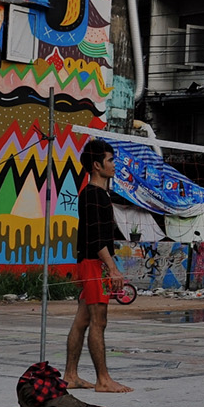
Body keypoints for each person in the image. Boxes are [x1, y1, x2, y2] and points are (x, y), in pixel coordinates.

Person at [64, 138, 131, 393]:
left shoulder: (102, 194)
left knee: (82, 320)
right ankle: (103, 380)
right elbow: (95, 238)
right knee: (98, 320)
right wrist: (112, 268)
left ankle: (70, 375)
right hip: (94, 263)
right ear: (96, 165)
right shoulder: (93, 195)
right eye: (110, 160)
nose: (114, 164)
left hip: (91, 262)